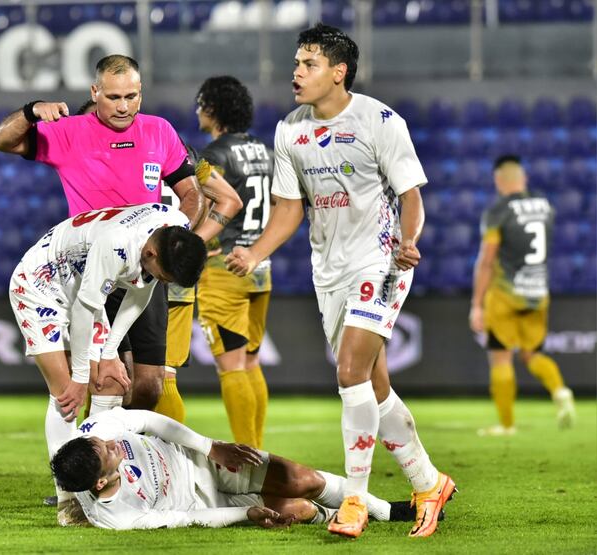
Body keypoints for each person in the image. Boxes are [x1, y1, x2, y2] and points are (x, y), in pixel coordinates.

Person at [225, 24, 454, 538]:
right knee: (373, 384)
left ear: (338, 71)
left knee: (349, 372)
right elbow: (289, 210)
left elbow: (411, 194)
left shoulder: (379, 120)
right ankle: (428, 481)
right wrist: (254, 253)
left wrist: (410, 239)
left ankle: (354, 500)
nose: (297, 73)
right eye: (296, 63)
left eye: (308, 64)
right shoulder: (291, 130)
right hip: (328, 271)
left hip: (381, 262)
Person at [0, 54, 206, 413]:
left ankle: (131, 458)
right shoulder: (69, 132)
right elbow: (1, 140)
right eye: (113, 97)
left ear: (141, 93)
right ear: (95, 91)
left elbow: (193, 195)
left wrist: (174, 237)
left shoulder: (159, 130)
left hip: (145, 270)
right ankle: (99, 461)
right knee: (105, 380)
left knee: (151, 384)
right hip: (96, 268)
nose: (124, 106)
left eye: (131, 97)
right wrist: (30, 112)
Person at [8, 202, 207, 524]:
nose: (162, 281)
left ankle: (92, 482)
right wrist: (82, 375)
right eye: (164, 275)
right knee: (68, 395)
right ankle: (69, 501)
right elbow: (84, 311)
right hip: (40, 286)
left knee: (111, 381)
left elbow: (140, 292)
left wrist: (110, 350)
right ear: (152, 255)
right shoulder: (117, 245)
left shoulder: (173, 228)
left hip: (83, 287)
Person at [50, 407, 437, 530]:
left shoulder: (95, 432)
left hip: (203, 462)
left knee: (302, 479)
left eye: (101, 442)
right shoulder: (118, 518)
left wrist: (210, 446)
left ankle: (387, 510)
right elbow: (184, 518)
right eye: (107, 452)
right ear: (101, 481)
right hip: (204, 501)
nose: (111, 443)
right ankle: (335, 517)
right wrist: (245, 514)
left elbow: (151, 422)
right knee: (299, 510)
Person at [194, 76, 274, 449]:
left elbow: (207, 207)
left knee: (231, 367)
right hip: (259, 266)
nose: (197, 110)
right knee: (252, 363)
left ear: (212, 109)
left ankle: (250, 463)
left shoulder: (213, 155)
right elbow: (278, 205)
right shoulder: (263, 150)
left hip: (223, 268)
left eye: (200, 104)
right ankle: (259, 451)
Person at [469, 155, 575, 436]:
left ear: (498, 180)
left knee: (501, 358)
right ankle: (560, 390)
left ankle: (506, 425)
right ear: (523, 178)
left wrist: (476, 304)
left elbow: (487, 260)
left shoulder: (498, 211)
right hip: (538, 292)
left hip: (506, 294)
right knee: (532, 354)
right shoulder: (545, 206)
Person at [157, 147, 244, 423]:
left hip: (129, 270)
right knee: (165, 376)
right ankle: (167, 462)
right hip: (174, 279)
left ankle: (103, 460)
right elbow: (230, 200)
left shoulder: (120, 151)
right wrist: (190, 245)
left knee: (109, 373)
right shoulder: (185, 157)